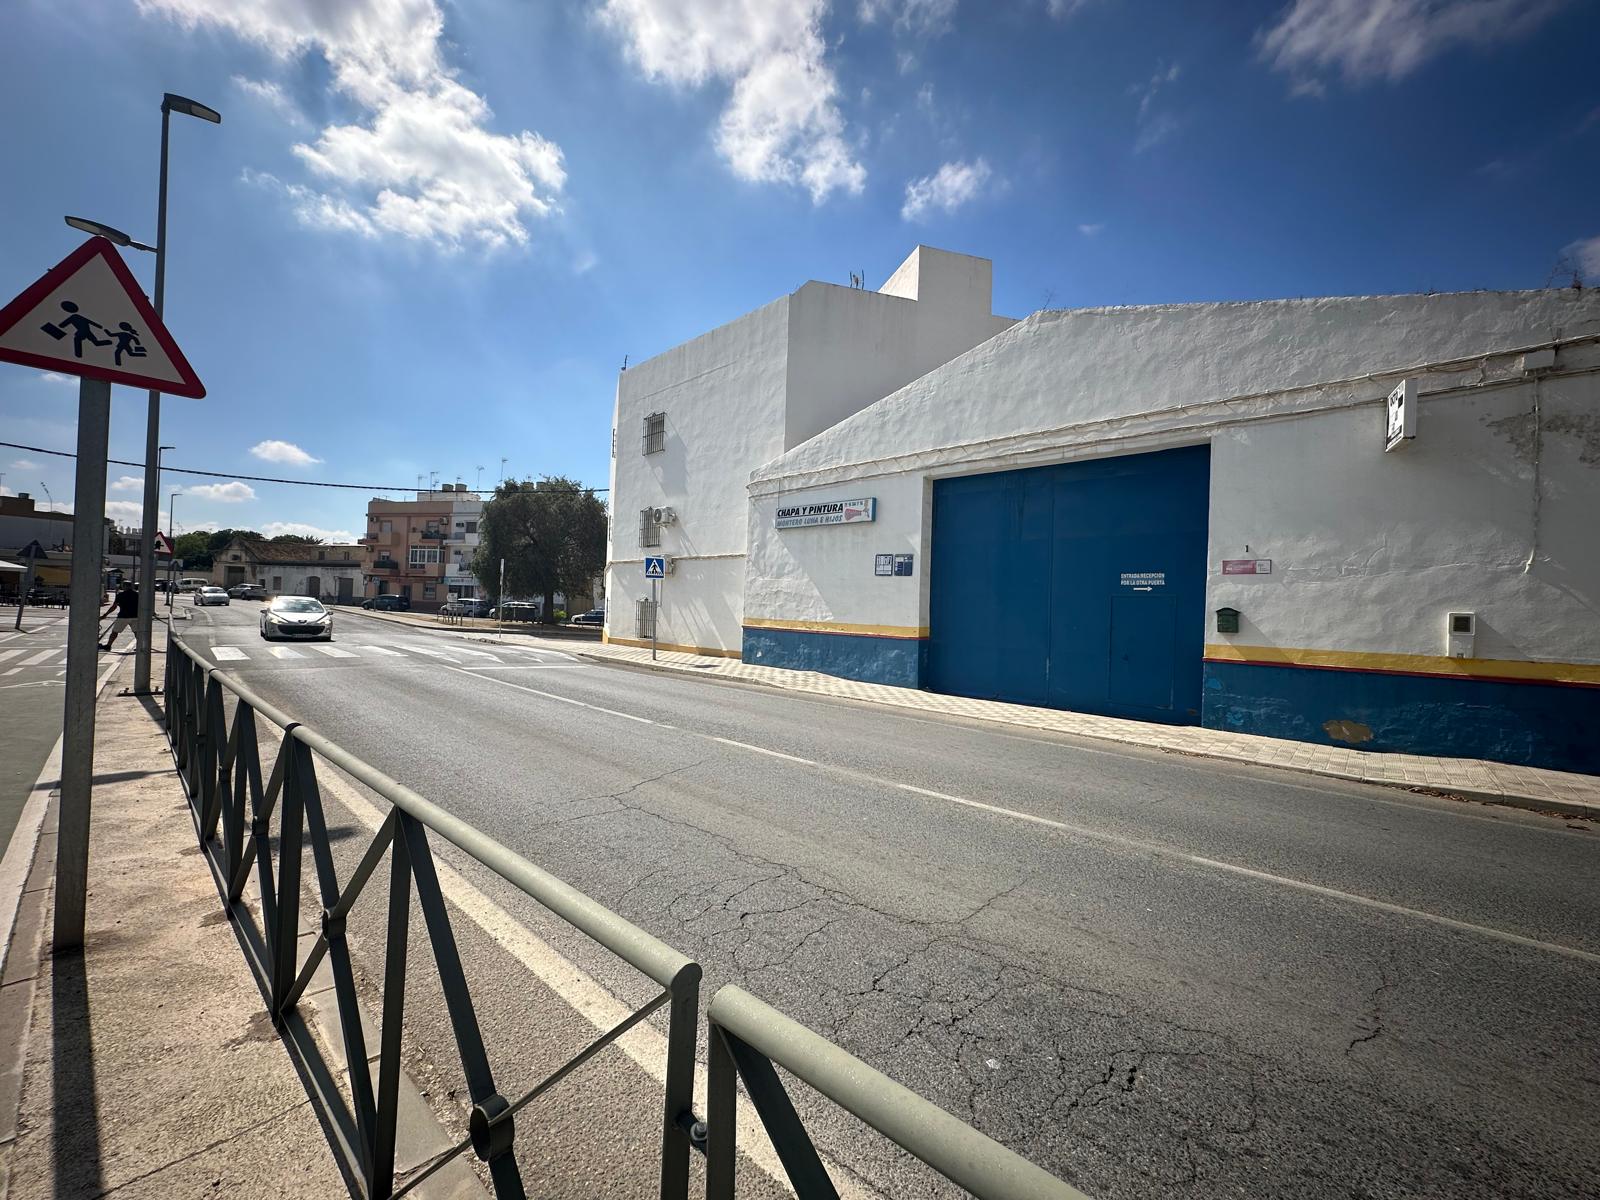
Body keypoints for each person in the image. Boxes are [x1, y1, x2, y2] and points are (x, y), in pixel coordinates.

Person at [100, 581, 142, 652]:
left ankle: (108, 645)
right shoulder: (137, 595)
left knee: (115, 632)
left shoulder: (120, 595)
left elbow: (114, 606)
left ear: (124, 586)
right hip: (135, 616)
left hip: (123, 616)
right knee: (137, 632)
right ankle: (140, 646)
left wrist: (105, 614)